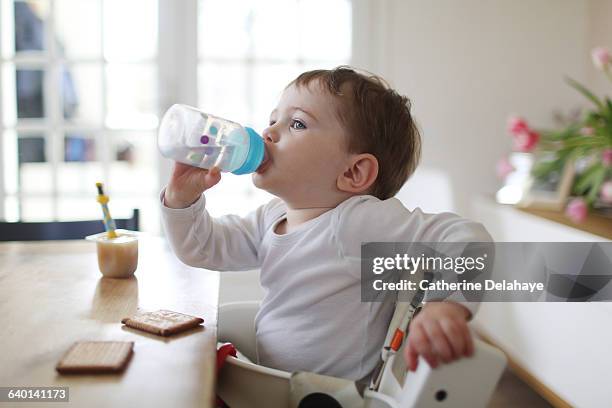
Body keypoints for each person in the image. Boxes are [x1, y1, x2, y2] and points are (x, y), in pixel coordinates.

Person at [160, 66, 491, 381]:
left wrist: (446, 306)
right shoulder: (272, 216)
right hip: (276, 380)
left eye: (298, 124)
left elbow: (467, 237)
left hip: (321, 396)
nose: (268, 132)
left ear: (353, 173)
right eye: (273, 119)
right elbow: (204, 248)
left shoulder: (356, 221)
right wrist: (182, 200)